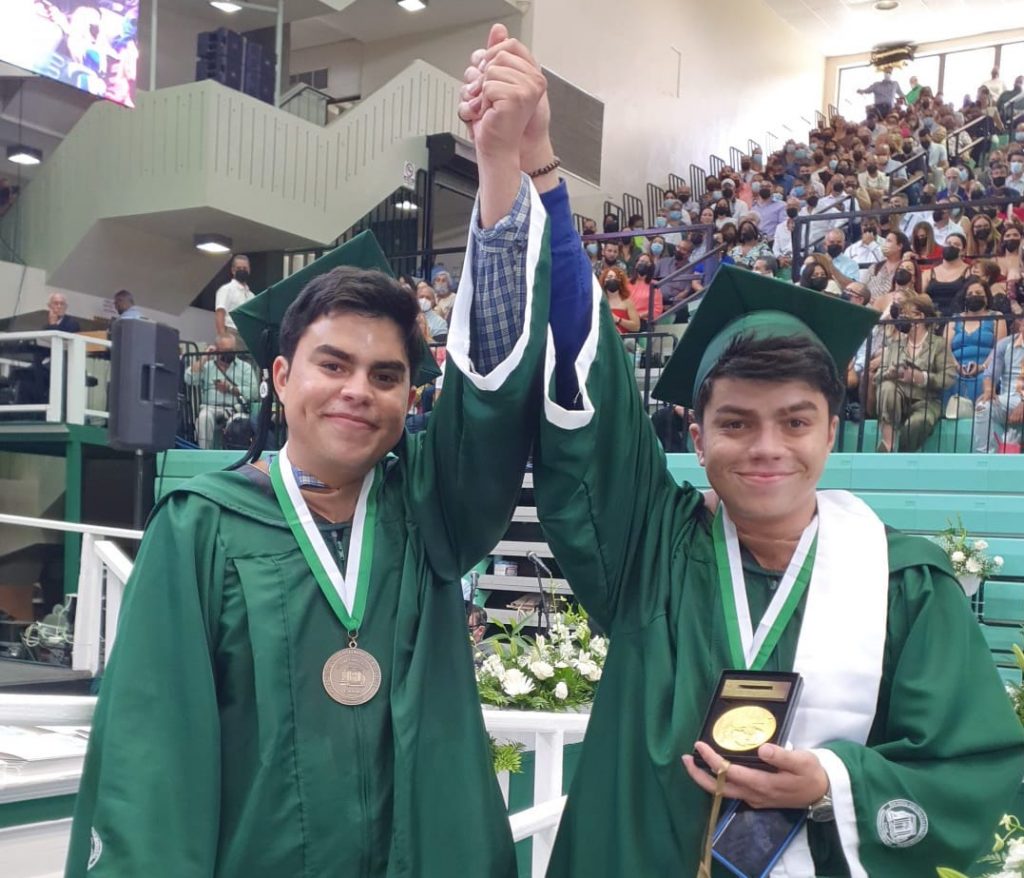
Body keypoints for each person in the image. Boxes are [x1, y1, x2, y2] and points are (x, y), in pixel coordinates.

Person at [457, 36, 1024, 876]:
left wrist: (832, 781)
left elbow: (981, 777)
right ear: (696, 434)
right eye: (737, 423)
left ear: (834, 431)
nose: (766, 448)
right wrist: (539, 166)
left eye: (796, 422)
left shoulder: (904, 587)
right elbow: (594, 377)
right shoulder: (655, 553)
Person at [65, 27, 551, 876]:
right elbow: (150, 760)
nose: (359, 389)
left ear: (411, 398)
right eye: (334, 364)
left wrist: (502, 162)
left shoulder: (428, 510)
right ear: (283, 377)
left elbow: (495, 395)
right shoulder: (200, 531)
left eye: (387, 374)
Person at [874, 293, 957, 452]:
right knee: (887, 386)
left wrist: (922, 378)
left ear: (920, 316)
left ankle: (902, 456)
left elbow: (949, 377)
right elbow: (878, 376)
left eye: (906, 314)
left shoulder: (938, 344)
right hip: (898, 400)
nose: (901, 318)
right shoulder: (895, 345)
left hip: (926, 401)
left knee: (917, 423)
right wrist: (889, 374)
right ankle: (887, 443)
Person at [944, 278, 1007, 419]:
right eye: (970, 293)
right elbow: (945, 348)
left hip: (987, 368)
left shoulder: (997, 317)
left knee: (983, 380)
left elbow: (1000, 349)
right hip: (956, 367)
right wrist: (956, 366)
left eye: (978, 292)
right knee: (948, 379)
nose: (974, 295)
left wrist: (982, 367)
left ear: (986, 297)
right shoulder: (955, 319)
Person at [183, 334, 259, 449]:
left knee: (239, 423)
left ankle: (235, 458)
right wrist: (204, 357)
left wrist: (231, 389)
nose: (229, 354)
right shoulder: (207, 367)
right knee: (204, 418)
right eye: (225, 351)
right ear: (216, 350)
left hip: (235, 408)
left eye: (232, 350)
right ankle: (205, 454)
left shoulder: (245, 367)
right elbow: (189, 378)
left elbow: (254, 392)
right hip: (210, 407)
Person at [973, 314, 1024, 453]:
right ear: (1020, 324)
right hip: (1008, 399)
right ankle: (985, 457)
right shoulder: (1005, 344)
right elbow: (990, 374)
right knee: (982, 407)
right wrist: (989, 390)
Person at [214, 254, 253, 342]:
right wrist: (223, 337)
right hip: (232, 332)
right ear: (233, 270)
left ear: (249, 270)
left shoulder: (251, 295)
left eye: (245, 268)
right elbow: (220, 313)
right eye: (239, 269)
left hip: (247, 335)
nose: (242, 271)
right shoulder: (226, 289)